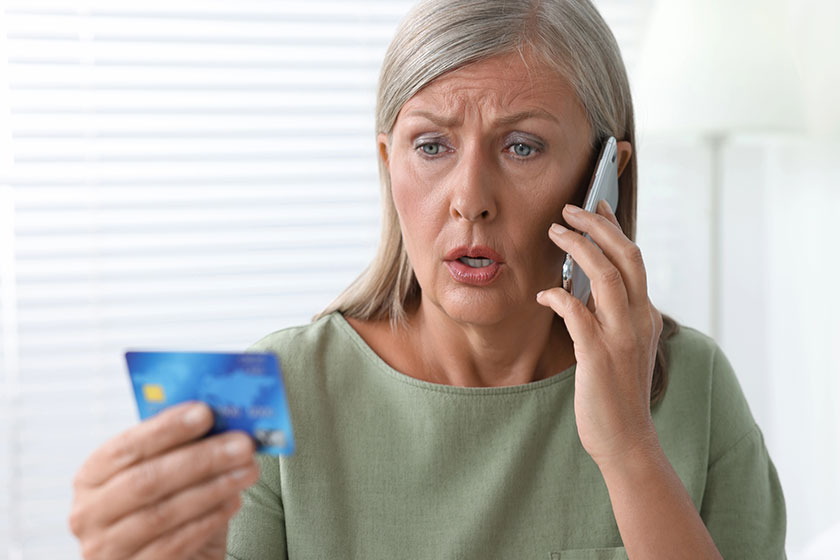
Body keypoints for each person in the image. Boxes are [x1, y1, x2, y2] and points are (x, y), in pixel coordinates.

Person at [68, 0, 787, 558]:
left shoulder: (693, 386)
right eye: (432, 145)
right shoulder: (274, 385)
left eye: (522, 145)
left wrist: (630, 449)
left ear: (603, 178)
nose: (468, 195)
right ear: (389, 163)